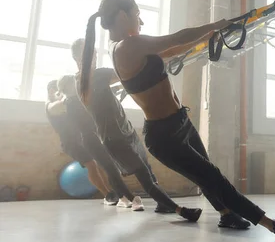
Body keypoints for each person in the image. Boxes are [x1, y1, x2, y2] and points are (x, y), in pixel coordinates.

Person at [78, 0, 275, 242]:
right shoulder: (126, 46)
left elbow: (173, 50)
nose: (140, 20)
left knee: (206, 173)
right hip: (163, 137)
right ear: (122, 15)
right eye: (137, 14)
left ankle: (226, 214)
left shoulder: (131, 46)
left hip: (179, 122)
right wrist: (215, 25)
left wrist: (206, 37)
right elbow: (174, 38)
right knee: (212, 176)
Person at [64, 43, 201, 221]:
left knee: (148, 171)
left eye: (95, 53)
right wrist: (167, 56)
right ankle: (179, 210)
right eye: (89, 54)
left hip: (126, 130)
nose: (95, 57)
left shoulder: (92, 78)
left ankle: (163, 204)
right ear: (77, 59)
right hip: (114, 138)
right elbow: (131, 69)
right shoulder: (93, 77)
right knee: (144, 175)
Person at [46, 80, 118, 205]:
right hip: (70, 142)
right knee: (91, 164)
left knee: (100, 164)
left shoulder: (70, 103)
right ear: (52, 91)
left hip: (83, 139)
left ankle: (111, 192)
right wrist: (68, 97)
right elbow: (58, 106)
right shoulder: (50, 105)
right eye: (62, 91)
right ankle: (108, 195)